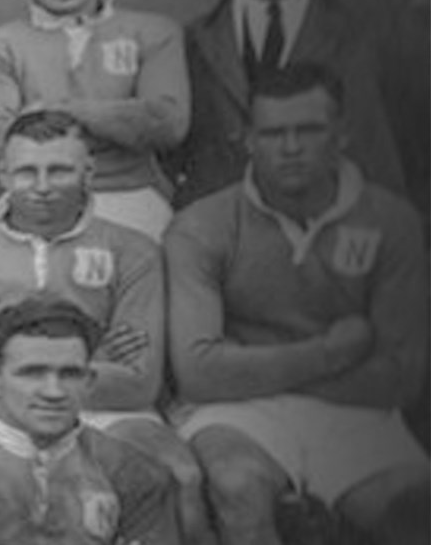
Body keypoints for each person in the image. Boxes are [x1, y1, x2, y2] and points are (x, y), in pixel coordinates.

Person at [0, 110, 209, 544]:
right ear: (3, 173)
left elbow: (138, 383)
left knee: (180, 474)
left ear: (88, 172)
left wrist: (19, 376)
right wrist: (91, 362)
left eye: (59, 170)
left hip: (110, 414)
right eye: (26, 171)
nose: (42, 185)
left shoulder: (134, 252)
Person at [169, 64, 429, 545]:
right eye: (273, 133)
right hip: (240, 412)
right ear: (249, 139)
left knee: (412, 504)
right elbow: (199, 373)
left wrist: (244, 366)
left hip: (354, 411)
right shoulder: (202, 225)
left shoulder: (391, 220)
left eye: (308, 130)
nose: (290, 147)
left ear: (342, 134)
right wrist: (331, 352)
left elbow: (400, 374)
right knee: (236, 486)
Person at [169, 0, 412, 208]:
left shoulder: (376, 25)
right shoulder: (195, 42)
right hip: (230, 229)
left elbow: (415, 135)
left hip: (344, 224)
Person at [0, 0, 188, 242]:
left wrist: (58, 110)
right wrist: (120, 120)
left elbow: (167, 124)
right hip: (36, 204)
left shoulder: (153, 31)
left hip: (131, 194)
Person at [0, 298, 179, 545]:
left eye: (69, 374)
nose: (53, 392)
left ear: (89, 381)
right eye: (32, 373)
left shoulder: (137, 473)